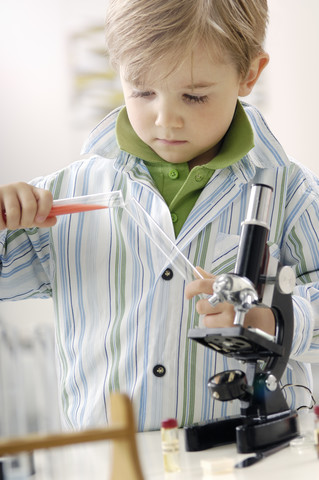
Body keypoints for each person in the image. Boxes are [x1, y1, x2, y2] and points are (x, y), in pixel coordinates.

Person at [0, 0, 318, 432]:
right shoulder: (62, 197)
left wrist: (273, 320)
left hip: (251, 461)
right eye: (143, 91)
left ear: (249, 74)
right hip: (111, 463)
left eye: (195, 95)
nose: (166, 119)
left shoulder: (290, 192)